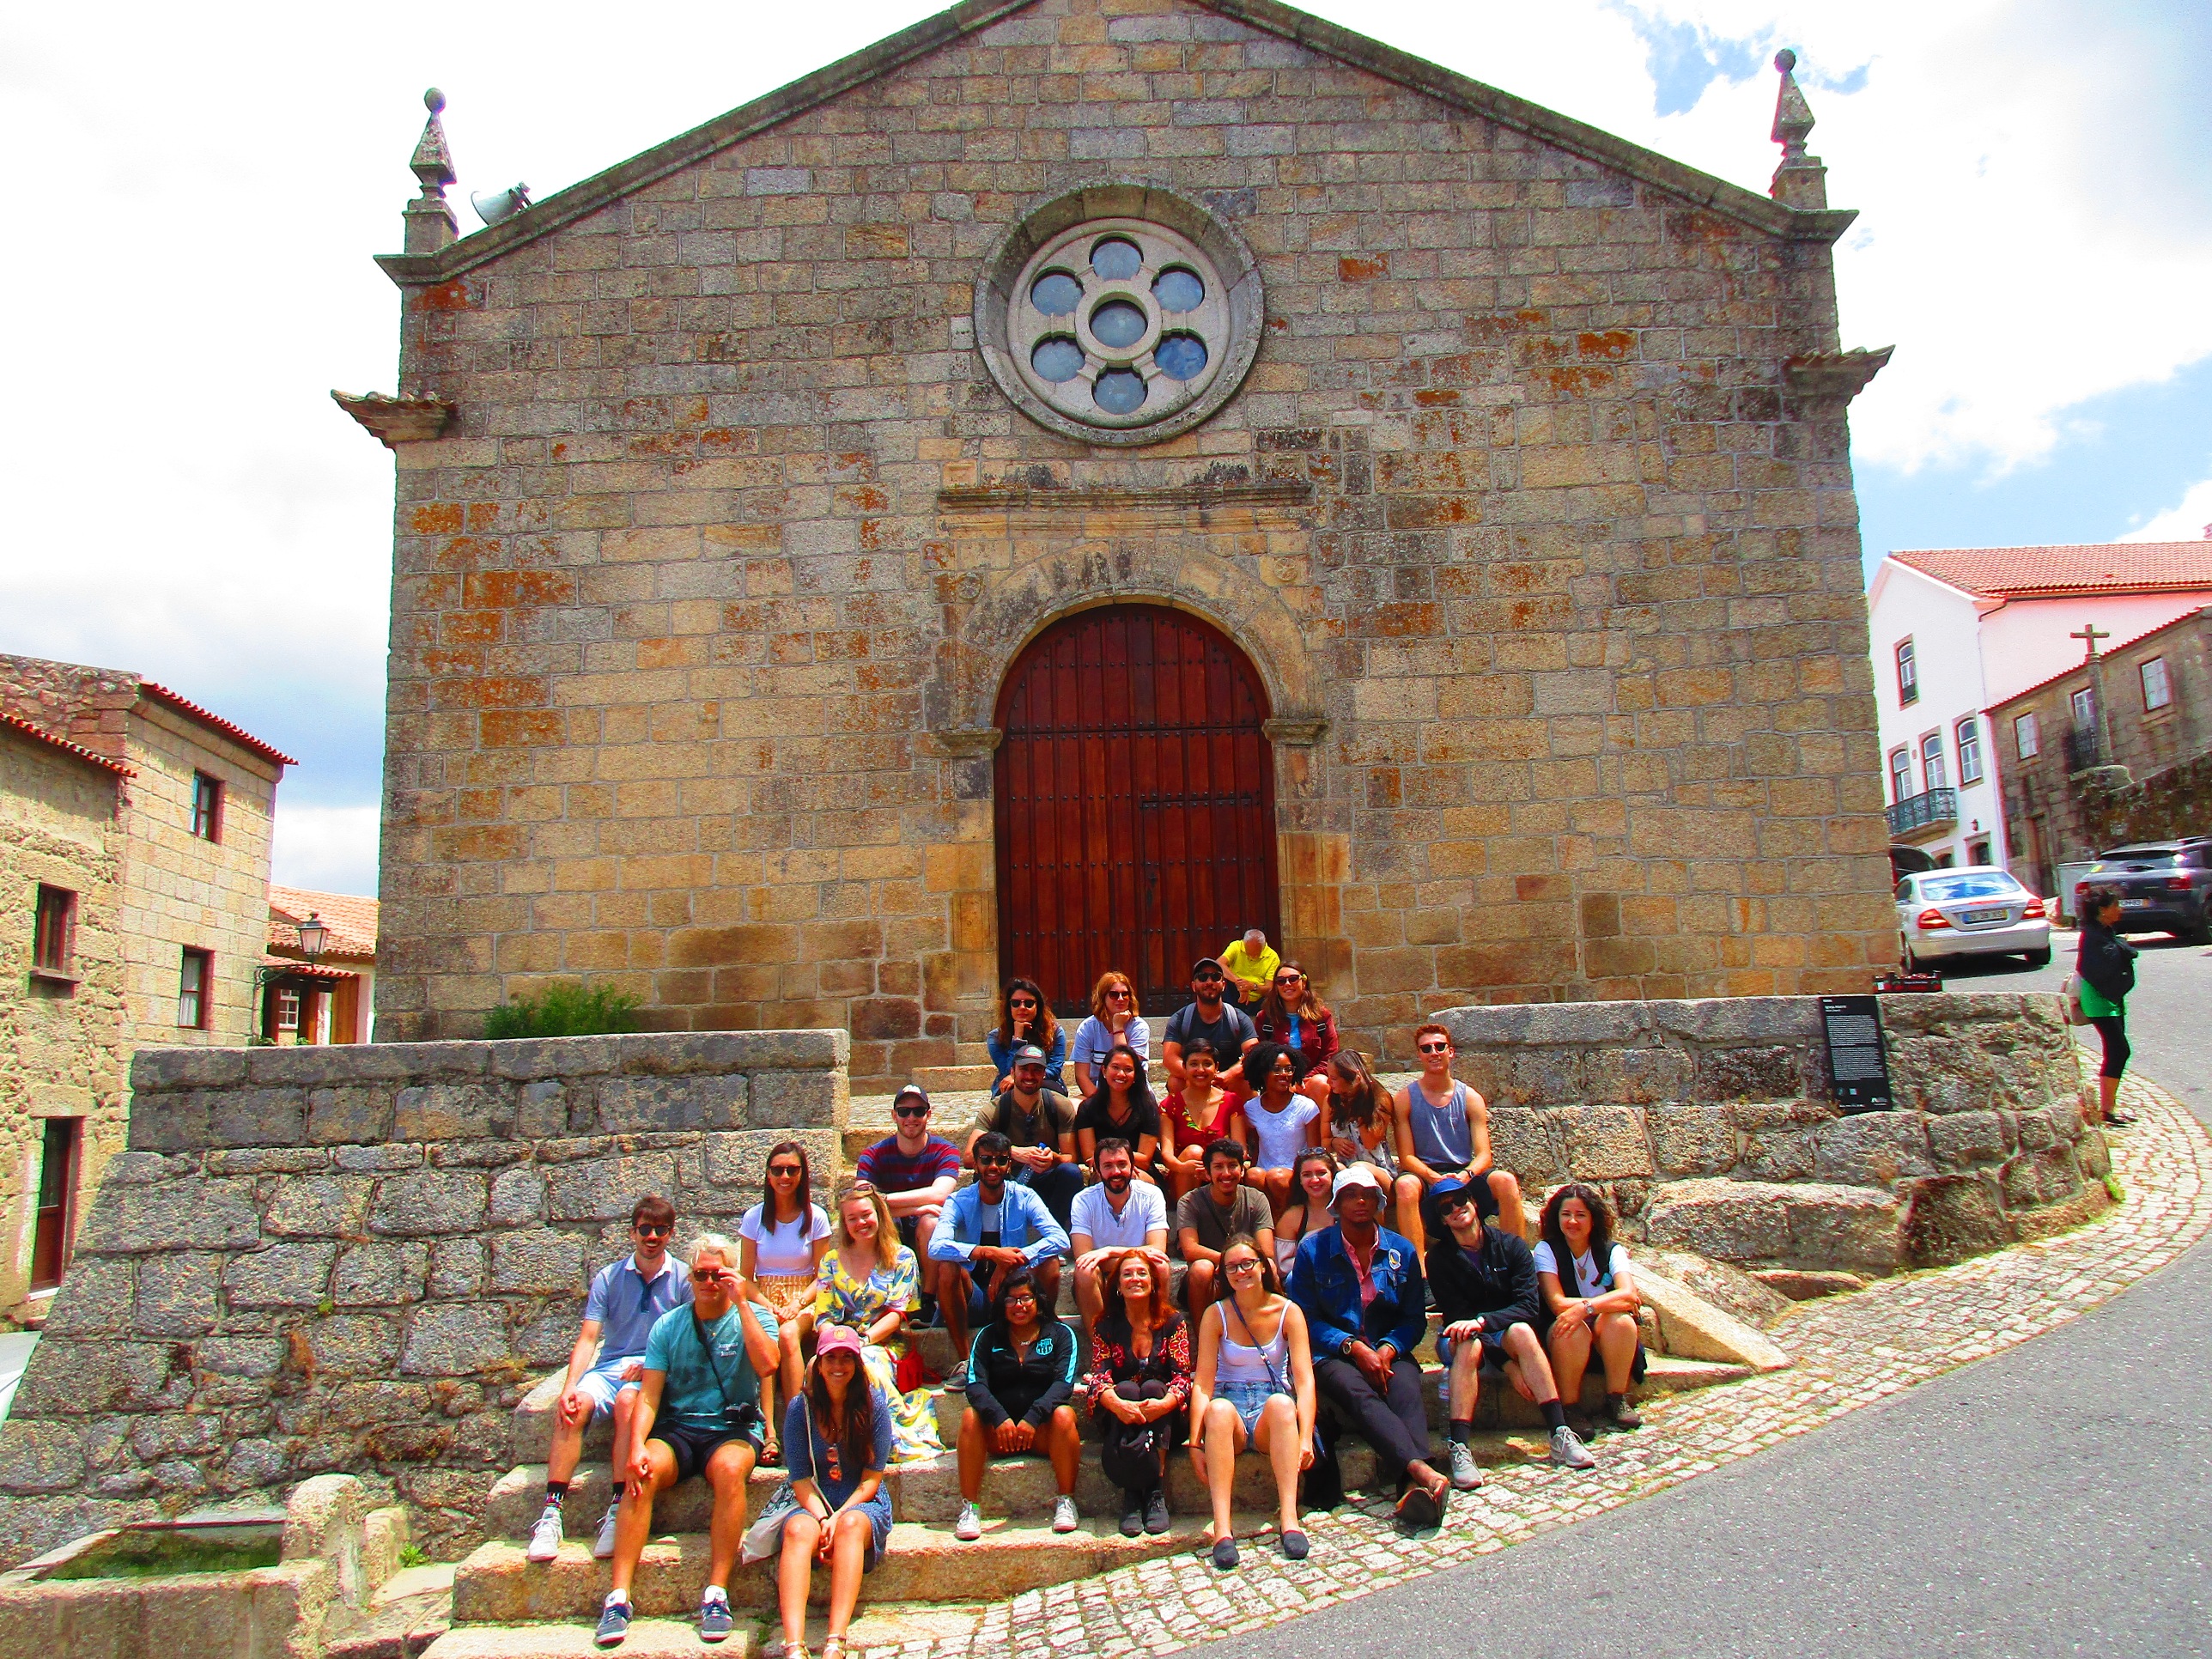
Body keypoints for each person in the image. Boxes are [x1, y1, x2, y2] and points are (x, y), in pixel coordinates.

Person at [594, 1235, 778, 1649]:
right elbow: (651, 1395)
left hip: (730, 1429)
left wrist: (744, 1302)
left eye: (718, 1275)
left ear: (731, 1275)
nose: (709, 1283)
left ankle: (716, 1591)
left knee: (731, 1471)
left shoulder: (754, 1319)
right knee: (641, 1473)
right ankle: (618, 1595)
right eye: (701, 1275)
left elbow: (768, 1364)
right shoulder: (669, 1325)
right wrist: (637, 1444)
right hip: (679, 1426)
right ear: (690, 1277)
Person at [529, 1194, 693, 1564]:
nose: (652, 1237)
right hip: (611, 1366)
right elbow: (589, 1337)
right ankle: (552, 1512)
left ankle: (618, 1508)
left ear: (670, 1233)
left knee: (627, 1403)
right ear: (633, 1232)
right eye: (645, 1230)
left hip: (654, 1368)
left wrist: (653, 1365)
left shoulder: (683, 1278)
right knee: (575, 1408)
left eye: (660, 1230)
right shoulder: (609, 1277)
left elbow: (684, 1336)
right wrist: (570, 1386)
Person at [1287, 1164, 1451, 1529]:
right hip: (1332, 1352)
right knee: (1357, 1392)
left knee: (1406, 1388)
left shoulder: (1402, 1250)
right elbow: (1305, 1317)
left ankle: (1413, 1485)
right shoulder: (1313, 1250)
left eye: (1368, 1195)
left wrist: (1389, 1348)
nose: (1360, 1202)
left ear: (1379, 1203)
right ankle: (1421, 1469)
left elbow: (1413, 1318)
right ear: (1337, 1204)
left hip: (1386, 1346)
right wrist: (1352, 1347)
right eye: (1350, 1195)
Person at [1425, 1175, 1595, 1492]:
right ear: (1442, 1220)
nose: (1456, 1209)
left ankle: (1559, 1431)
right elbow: (1459, 1319)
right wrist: (1507, 1364)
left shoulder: (1512, 1246)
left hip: (1502, 1333)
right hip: (1466, 1340)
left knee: (1521, 1332)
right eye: (1446, 1208)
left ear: (1474, 1203)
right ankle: (1460, 1447)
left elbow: (1529, 1307)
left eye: (1460, 1200)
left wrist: (1485, 1324)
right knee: (1467, 1344)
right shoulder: (1439, 1260)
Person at [1189, 1233, 1316, 1569]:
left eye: (1248, 1263)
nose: (1240, 1272)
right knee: (1217, 1409)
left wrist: (1306, 1437)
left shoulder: (1289, 1312)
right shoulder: (1215, 1314)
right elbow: (1203, 1381)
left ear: (1263, 1267)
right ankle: (1222, 1529)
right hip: (1227, 1406)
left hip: (1269, 1411)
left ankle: (1289, 1518)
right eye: (1231, 1267)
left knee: (1282, 1404)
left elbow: (1304, 1378)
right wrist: (1194, 1441)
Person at [772, 1326, 893, 1659]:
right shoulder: (801, 1408)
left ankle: (835, 1640)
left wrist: (838, 1518)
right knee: (798, 1530)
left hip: (861, 1500)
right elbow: (799, 1477)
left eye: (846, 1358)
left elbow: (872, 1479)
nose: (838, 1365)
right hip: (815, 1497)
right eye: (831, 1358)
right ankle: (793, 1644)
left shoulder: (874, 1407)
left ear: (856, 1364)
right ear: (819, 1364)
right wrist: (824, 1517)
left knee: (851, 1527)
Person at [927, 1131, 1071, 1389]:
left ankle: (1040, 1348)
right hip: (975, 1297)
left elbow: (1061, 1239)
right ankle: (965, 1360)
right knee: (947, 1267)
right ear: (976, 1163)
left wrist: (1014, 1259)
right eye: (986, 1160)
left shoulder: (1024, 1196)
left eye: (1001, 1160)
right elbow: (936, 1247)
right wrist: (989, 1253)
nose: (993, 1167)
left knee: (1049, 1262)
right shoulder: (959, 1200)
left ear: (1009, 1165)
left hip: (1014, 1293)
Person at [814, 1181, 943, 1463]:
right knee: (817, 1368)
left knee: (866, 1363)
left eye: (866, 1215)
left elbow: (898, 1314)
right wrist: (837, 1346)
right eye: (852, 1218)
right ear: (844, 1224)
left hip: (884, 1344)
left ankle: (880, 1440)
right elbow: (824, 1317)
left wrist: (861, 1343)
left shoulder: (902, 1258)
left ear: (878, 1214)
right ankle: (828, 1446)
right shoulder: (831, 1262)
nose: (861, 1222)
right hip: (839, 1343)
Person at [952, 1266, 1085, 1539]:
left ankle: (1066, 1501)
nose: (1019, 1306)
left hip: (1042, 1432)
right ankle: (969, 1508)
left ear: (1038, 1301)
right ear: (1003, 1303)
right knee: (968, 1417)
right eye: (1011, 1299)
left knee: (1064, 1415)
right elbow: (975, 1385)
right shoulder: (987, 1337)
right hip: (998, 1434)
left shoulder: (1061, 1335)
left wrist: (1033, 1418)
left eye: (1026, 1298)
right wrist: (1000, 1418)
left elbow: (1064, 1385)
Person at [1081, 1249, 1193, 1536]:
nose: (1135, 1279)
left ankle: (1154, 1489)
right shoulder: (1105, 1325)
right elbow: (1098, 1377)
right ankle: (1132, 1491)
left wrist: (1163, 1404)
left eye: (1142, 1273)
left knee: (1155, 1387)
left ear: (1154, 1283)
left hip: (1165, 1416)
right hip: (1123, 1414)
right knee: (1128, 1389)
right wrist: (1117, 1403)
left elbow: (1182, 1377)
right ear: (1117, 1285)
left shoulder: (1173, 1322)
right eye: (1127, 1274)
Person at [738, 1140, 833, 1463]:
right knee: (764, 1337)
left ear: (802, 1174)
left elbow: (824, 1276)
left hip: (805, 1295)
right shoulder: (754, 1218)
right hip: (764, 1296)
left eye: (792, 1170)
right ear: (768, 1175)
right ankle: (769, 1433)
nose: (785, 1176)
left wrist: (796, 1304)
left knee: (789, 1334)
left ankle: (795, 1428)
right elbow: (746, 1277)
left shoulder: (815, 1217)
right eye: (778, 1170)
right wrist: (766, 1304)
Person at [1394, 1024, 1524, 1249]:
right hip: (1426, 1174)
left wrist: (1465, 1175)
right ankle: (1418, 1272)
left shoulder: (1471, 1097)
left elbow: (1484, 1155)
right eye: (1426, 1049)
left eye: (1440, 1046)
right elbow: (1406, 1157)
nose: (1433, 1053)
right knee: (1405, 1186)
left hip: (1464, 1170)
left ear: (1450, 1052)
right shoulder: (1404, 1099)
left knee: (1506, 1181)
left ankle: (1517, 1257)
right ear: (1419, 1055)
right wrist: (1433, 1177)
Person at [1534, 1182, 1646, 1437]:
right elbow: (1557, 1303)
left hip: (1606, 1337)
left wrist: (1586, 1307)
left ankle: (1616, 1398)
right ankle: (1570, 1406)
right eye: (1566, 1215)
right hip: (1566, 1341)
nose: (1573, 1221)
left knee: (1620, 1322)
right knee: (1570, 1327)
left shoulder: (1611, 1250)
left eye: (1581, 1215)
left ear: (1593, 1219)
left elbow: (1629, 1296)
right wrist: (1601, 1304)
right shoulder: (1546, 1250)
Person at [853, 1084, 963, 1326]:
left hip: (926, 1230)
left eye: (918, 1111)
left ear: (928, 1114)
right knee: (864, 1220)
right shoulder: (874, 1154)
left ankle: (927, 1300)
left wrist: (882, 1200)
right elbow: (860, 1200)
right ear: (894, 1115)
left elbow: (940, 1195)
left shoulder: (945, 1150)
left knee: (931, 1221)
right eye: (904, 1112)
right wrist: (915, 1207)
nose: (911, 1117)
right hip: (891, 1230)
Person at [966, 1044, 1083, 1231]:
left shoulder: (1059, 1105)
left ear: (1044, 1074)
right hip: (1007, 1180)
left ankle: (1054, 1233)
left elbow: (1071, 1158)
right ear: (1012, 1072)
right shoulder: (995, 1109)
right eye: (1024, 1069)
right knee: (985, 1171)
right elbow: (969, 1157)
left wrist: (1053, 1159)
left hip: (1043, 1179)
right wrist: (1012, 1153)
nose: (1030, 1076)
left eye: (1036, 1070)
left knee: (1070, 1173)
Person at [1069, 1137, 1170, 1324]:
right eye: (1108, 1166)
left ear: (1133, 1167)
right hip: (1104, 1273)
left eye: (1122, 1164)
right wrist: (1130, 1261)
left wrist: (1108, 1252)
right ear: (1097, 1170)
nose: (1116, 1172)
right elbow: (1083, 1255)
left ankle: (1155, 1335)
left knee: (1161, 1265)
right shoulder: (1083, 1200)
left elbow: (1158, 1250)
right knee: (1084, 1270)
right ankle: (1101, 1346)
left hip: (1137, 1270)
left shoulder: (1152, 1195)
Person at [1322, 1052, 1416, 1239]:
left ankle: (1375, 1237)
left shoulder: (1379, 1099)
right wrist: (1334, 1141)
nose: (1328, 1083)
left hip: (1380, 1174)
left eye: (1333, 1078)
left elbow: (1370, 1141)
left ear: (1351, 1078)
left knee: (1360, 1170)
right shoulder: (1330, 1101)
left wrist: (1358, 1101)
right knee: (1338, 1170)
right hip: (1346, 1170)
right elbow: (1324, 1142)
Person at [1176, 1138, 1275, 1312]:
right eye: (1219, 1167)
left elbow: (1267, 1251)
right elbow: (1190, 1249)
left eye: (1232, 1165)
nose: (1227, 1173)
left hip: (1245, 1269)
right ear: (1207, 1173)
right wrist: (1227, 1263)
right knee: (1201, 1268)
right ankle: (1202, 1336)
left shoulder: (1256, 1198)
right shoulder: (1190, 1201)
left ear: (1242, 1170)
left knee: (1270, 1267)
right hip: (1212, 1274)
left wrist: (1237, 1265)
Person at [1232, 1043, 1322, 1215]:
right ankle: (1273, 1221)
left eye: (1288, 1069)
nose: (1284, 1075)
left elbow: (1314, 1152)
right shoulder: (1251, 1108)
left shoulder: (1306, 1107)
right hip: (1265, 1170)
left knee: (1277, 1177)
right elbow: (1257, 1147)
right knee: (1253, 1175)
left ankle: (1289, 1221)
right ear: (1263, 1072)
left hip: (1296, 1172)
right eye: (1277, 1069)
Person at [2075, 886, 2139, 1127]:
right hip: (2100, 1000)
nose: (2119, 909)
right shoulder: (2092, 936)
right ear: (2103, 910)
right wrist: (2124, 948)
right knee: (2120, 1050)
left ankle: (2110, 1108)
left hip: (2110, 999)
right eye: (2115, 905)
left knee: (2116, 1051)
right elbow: (2096, 969)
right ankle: (2107, 1110)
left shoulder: (2103, 931)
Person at [1161, 959, 1257, 1093]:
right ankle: (1185, 1114)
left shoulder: (1238, 1018)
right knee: (1175, 1082)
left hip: (1227, 1081)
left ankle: (1240, 1114)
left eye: (1216, 977)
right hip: (1194, 1078)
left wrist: (1229, 1075)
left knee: (1246, 1083)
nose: (1209, 982)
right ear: (1194, 986)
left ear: (1223, 985)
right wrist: (1198, 1077)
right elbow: (1169, 1058)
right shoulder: (1180, 1019)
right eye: (1202, 977)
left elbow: (1254, 1054)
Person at [1250, 963, 1337, 1109]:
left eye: (1293, 979)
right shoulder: (1265, 1018)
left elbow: (1330, 1055)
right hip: (1277, 1080)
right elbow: (1260, 1056)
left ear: (1304, 982)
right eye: (1281, 981)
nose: (1287, 984)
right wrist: (1284, 1079)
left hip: (1311, 1080)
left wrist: (1302, 1079)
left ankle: (1324, 1132)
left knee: (1321, 1084)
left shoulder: (1321, 1017)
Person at [1159, 1039, 1236, 1200]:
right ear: (1184, 1068)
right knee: (1194, 1152)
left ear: (1217, 1068)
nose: (1200, 1070)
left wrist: (1215, 1167)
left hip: (1220, 1174)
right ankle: (1186, 1218)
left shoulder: (1231, 1102)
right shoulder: (1170, 1105)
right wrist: (1182, 1167)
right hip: (1185, 1176)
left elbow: (1240, 1149)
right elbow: (1166, 1154)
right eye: (1194, 1064)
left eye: (1207, 1064)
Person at [1073, 1043, 1163, 1177]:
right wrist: (1118, 1162)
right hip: (1104, 1172)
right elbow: (1089, 1157)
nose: (1121, 1074)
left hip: (1140, 1172)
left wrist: (1109, 1158)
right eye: (1115, 1067)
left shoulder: (1148, 1107)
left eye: (1128, 1069)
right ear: (1104, 1071)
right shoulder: (1088, 1108)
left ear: (1136, 1075)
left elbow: (1144, 1160)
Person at [1069, 969, 1151, 1097]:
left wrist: (1118, 1027)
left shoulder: (1139, 1027)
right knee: (1074, 1107)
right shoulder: (1087, 1028)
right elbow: (1081, 1076)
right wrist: (1099, 1105)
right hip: (1098, 1091)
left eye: (1125, 994)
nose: (1120, 999)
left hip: (1134, 1091)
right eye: (1114, 994)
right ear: (1102, 997)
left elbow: (1124, 1066)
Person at [987, 978, 1065, 1099]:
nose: (1022, 1008)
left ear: (1038, 1006)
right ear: (1009, 1006)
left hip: (1046, 1081)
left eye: (1029, 1004)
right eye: (1016, 1003)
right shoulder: (995, 1038)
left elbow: (1054, 1069)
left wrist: (1030, 1077)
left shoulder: (1055, 1033)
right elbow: (1008, 1070)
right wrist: (1017, 1039)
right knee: (1007, 1091)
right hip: (1010, 1082)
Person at [1269, 1149, 1338, 1279]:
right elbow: (1283, 1267)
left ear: (1332, 1175)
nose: (1315, 1180)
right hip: (1309, 1280)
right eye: (1307, 1175)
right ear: (1299, 1180)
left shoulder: (1347, 1209)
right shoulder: (1292, 1217)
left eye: (1321, 1173)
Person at [1218, 927, 1281, 1010]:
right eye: (1249, 953)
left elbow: (1269, 988)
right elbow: (1219, 963)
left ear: (1263, 947)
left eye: (1256, 954)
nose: (1252, 957)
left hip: (1258, 997)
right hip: (1235, 992)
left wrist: (1252, 987)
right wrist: (1240, 984)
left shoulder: (1273, 957)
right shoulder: (1236, 946)